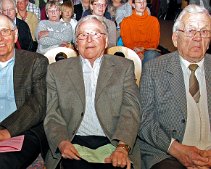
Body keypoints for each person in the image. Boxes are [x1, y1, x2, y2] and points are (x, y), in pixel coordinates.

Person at [44, 15, 141, 169]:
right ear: (76, 43)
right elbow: (52, 113)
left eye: (95, 34)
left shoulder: (123, 68)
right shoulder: (57, 71)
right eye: (83, 35)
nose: (89, 40)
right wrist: (62, 142)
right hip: (73, 139)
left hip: (114, 140)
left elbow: (131, 109)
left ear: (106, 40)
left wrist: (123, 147)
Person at [139, 4, 211, 169]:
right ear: (175, 38)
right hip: (167, 154)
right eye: (191, 31)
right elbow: (144, 121)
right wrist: (177, 149)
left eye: (205, 32)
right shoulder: (154, 69)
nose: (198, 38)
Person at [0, 14, 48, 169]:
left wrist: (6, 131)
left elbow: (38, 105)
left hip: (24, 130)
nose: (0, 38)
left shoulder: (35, 62)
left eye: (5, 31)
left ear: (15, 35)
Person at [120, 0, 160, 64]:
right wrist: (138, 52)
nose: (142, 4)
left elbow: (154, 42)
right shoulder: (126, 22)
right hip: (132, 51)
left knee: (152, 55)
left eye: (144, 1)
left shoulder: (154, 21)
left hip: (148, 51)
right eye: (139, 2)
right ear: (133, 5)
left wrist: (143, 49)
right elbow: (127, 43)